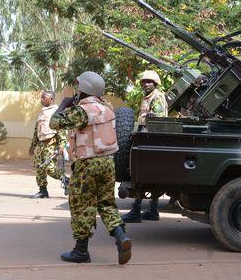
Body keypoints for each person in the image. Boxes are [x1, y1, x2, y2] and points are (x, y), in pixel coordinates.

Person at [50, 71, 132, 265]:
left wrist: (63, 104)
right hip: (107, 162)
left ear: (84, 89)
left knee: (82, 206)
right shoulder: (107, 109)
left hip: (87, 164)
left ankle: (80, 251)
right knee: (106, 204)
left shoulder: (81, 111)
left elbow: (54, 123)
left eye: (79, 87)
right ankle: (121, 238)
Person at [122, 70, 168, 223]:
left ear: (155, 84)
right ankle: (153, 210)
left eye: (149, 82)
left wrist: (152, 117)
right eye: (144, 81)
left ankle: (137, 211)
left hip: (151, 140)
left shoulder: (157, 97)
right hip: (146, 138)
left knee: (140, 176)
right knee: (149, 177)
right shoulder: (147, 98)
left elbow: (159, 119)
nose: (146, 84)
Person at [28, 90, 69, 198]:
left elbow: (61, 129)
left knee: (49, 168)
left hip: (52, 143)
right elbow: (37, 130)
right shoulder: (42, 112)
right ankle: (43, 191)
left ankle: (66, 180)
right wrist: (33, 146)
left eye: (43, 97)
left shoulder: (56, 112)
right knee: (39, 167)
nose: (41, 99)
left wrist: (62, 145)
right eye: (41, 97)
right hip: (41, 145)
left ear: (51, 99)